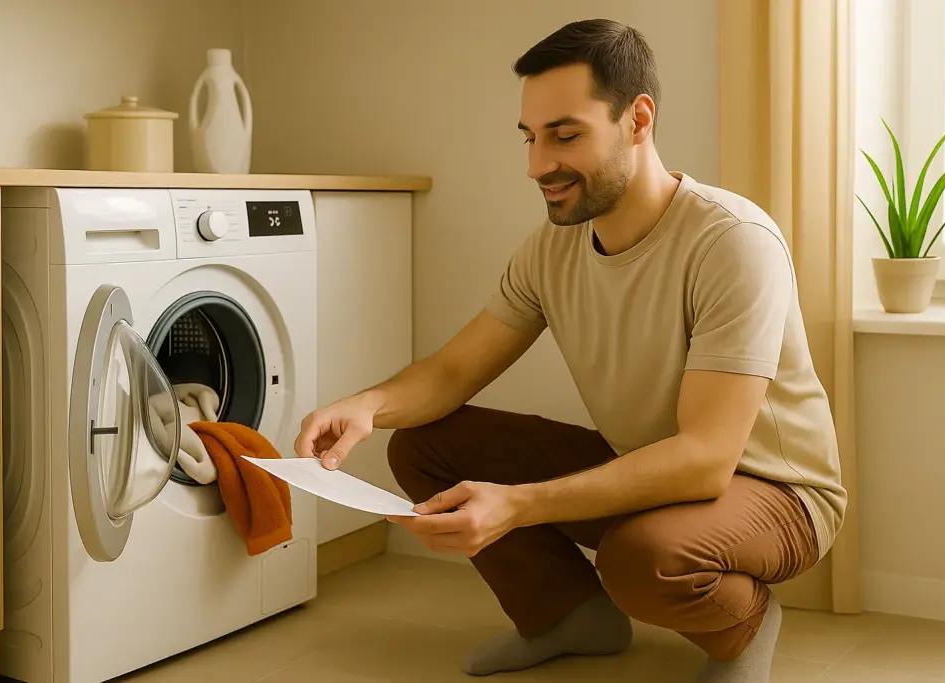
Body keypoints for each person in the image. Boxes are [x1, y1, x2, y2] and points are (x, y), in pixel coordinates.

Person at [293, 17, 847, 683]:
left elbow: (705, 459)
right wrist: (368, 405)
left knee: (640, 558)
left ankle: (744, 625)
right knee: (423, 445)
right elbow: (453, 370)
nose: (537, 166)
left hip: (774, 491)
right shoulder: (552, 248)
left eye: (565, 135)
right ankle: (569, 617)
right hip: (648, 465)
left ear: (637, 120)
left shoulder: (732, 242)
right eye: (531, 137)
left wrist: (520, 503)